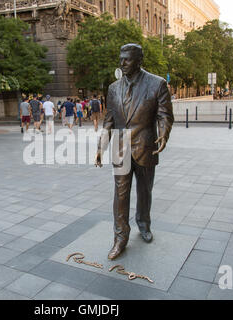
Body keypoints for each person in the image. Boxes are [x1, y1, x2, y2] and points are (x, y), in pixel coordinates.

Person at [95, 44, 174, 260]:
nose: (122, 63)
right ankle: (120, 238)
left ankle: (144, 223)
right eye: (121, 58)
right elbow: (109, 120)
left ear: (138, 60)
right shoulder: (113, 88)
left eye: (127, 59)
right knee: (120, 193)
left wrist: (164, 132)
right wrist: (101, 146)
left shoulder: (157, 84)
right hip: (120, 146)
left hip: (146, 145)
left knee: (144, 190)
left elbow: (164, 114)